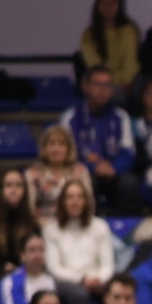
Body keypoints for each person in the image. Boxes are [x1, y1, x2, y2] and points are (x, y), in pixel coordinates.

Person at [59, 66, 140, 214]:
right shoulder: (70, 118)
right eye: (97, 84)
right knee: (85, 181)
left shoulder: (121, 116)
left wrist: (114, 168)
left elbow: (128, 153)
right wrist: (93, 167)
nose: (102, 90)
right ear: (85, 86)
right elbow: (67, 154)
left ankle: (129, 230)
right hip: (85, 172)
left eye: (107, 85)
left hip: (115, 173)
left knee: (130, 183)